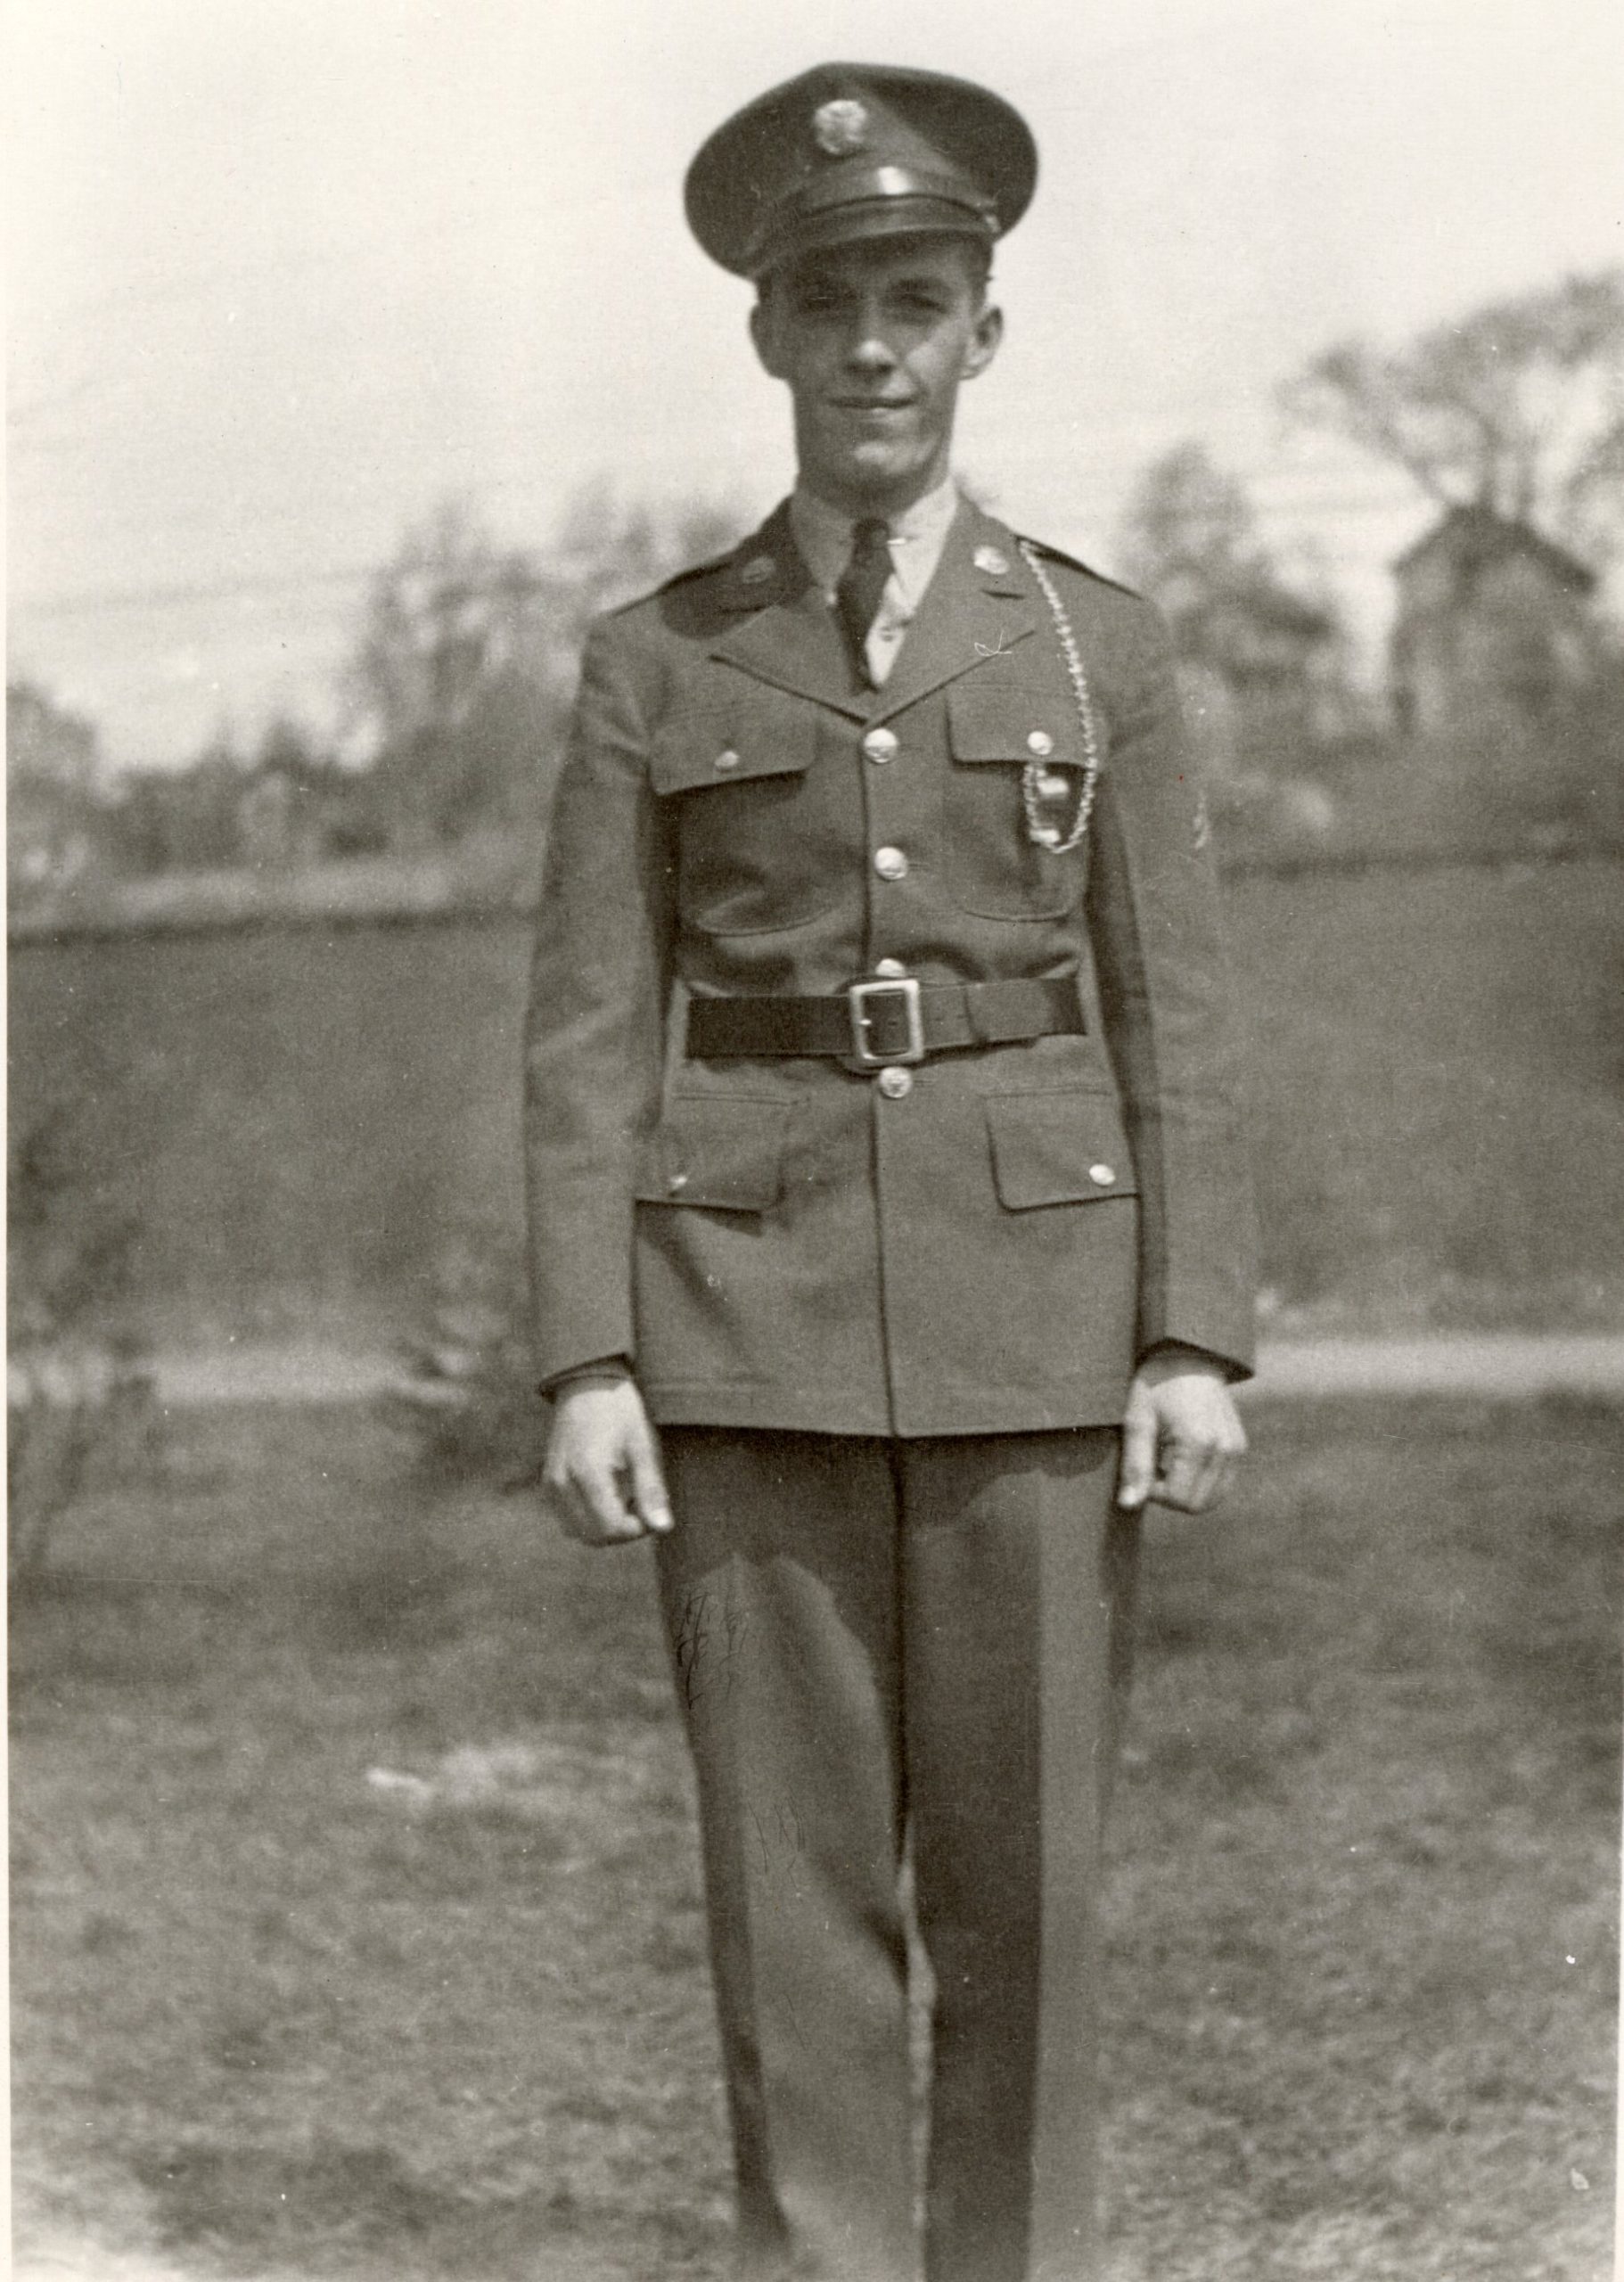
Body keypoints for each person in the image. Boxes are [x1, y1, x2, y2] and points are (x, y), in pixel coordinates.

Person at [525, 61, 1255, 2282]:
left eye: (915, 301)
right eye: (829, 299)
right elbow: (578, 1022)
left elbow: (1179, 1011)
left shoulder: (1088, 643)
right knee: (788, 1892)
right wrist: (583, 1352)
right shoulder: (657, 658)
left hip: (1040, 1323)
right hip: (737, 1334)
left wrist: (1191, 1330)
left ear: (980, 333)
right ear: (766, 332)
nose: (871, 347)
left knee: (1025, 1901)